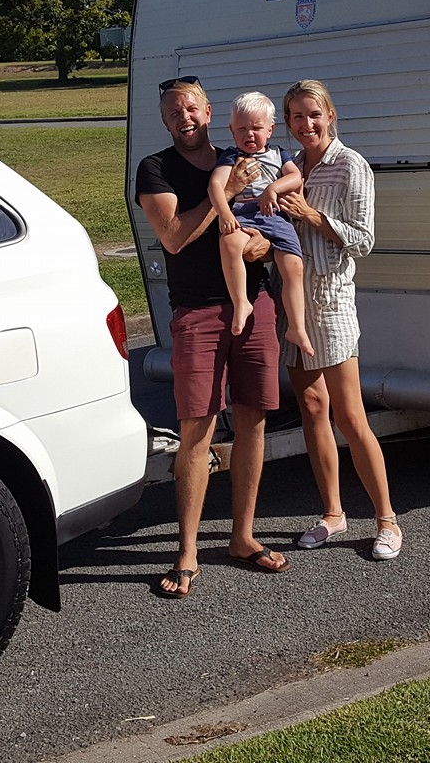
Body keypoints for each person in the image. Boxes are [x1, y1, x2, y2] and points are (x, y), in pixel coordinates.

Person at [134, 74, 290, 597]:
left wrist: (261, 246)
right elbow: (174, 237)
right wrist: (227, 193)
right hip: (197, 311)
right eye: (173, 112)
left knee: (253, 421)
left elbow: (270, 229)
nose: (184, 117)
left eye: (192, 108)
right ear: (165, 120)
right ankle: (187, 551)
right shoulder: (156, 169)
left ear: (208, 112)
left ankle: (242, 537)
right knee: (196, 428)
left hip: (255, 303)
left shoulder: (241, 154)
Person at [277, 79, 402, 560]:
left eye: (314, 114)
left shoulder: (350, 165)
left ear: (330, 115)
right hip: (293, 304)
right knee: (312, 407)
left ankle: (387, 520)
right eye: (296, 116)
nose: (306, 124)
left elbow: (364, 240)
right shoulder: (289, 166)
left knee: (349, 416)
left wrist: (311, 214)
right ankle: (332, 513)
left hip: (331, 301)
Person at [207, 92, 314, 357]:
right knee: (230, 243)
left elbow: (295, 177)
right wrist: (224, 214)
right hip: (243, 214)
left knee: (293, 266)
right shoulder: (231, 156)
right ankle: (241, 302)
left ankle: (297, 327)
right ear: (232, 130)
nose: (249, 134)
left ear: (270, 129)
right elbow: (215, 185)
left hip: (274, 215)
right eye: (241, 129)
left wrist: (272, 190)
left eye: (256, 128)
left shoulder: (279, 154)